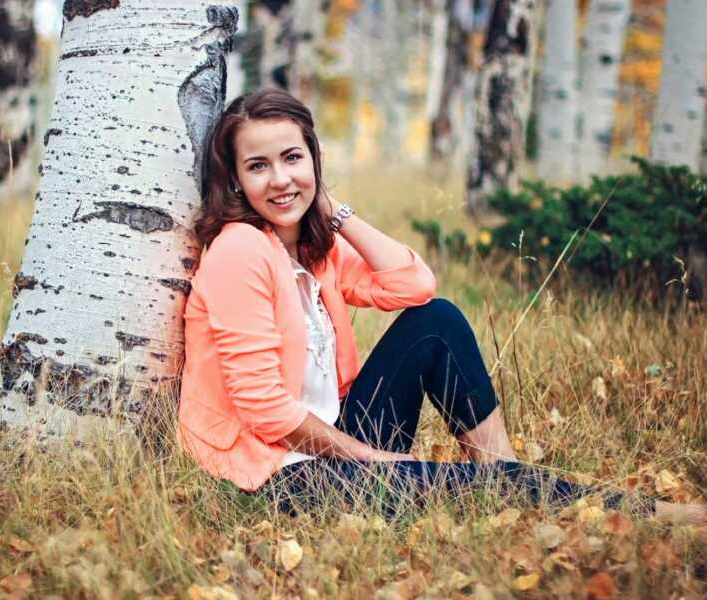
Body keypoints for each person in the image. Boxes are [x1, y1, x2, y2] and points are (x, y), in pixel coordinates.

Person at [177, 88, 704, 524]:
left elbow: (413, 285)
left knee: (437, 321)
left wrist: (332, 211)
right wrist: (371, 456)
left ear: (314, 157)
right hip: (278, 472)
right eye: (258, 166)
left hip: (334, 436)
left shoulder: (314, 247)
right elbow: (264, 408)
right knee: (467, 488)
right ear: (237, 181)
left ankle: (503, 475)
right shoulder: (241, 250)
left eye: (293, 158)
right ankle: (651, 516)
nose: (281, 179)